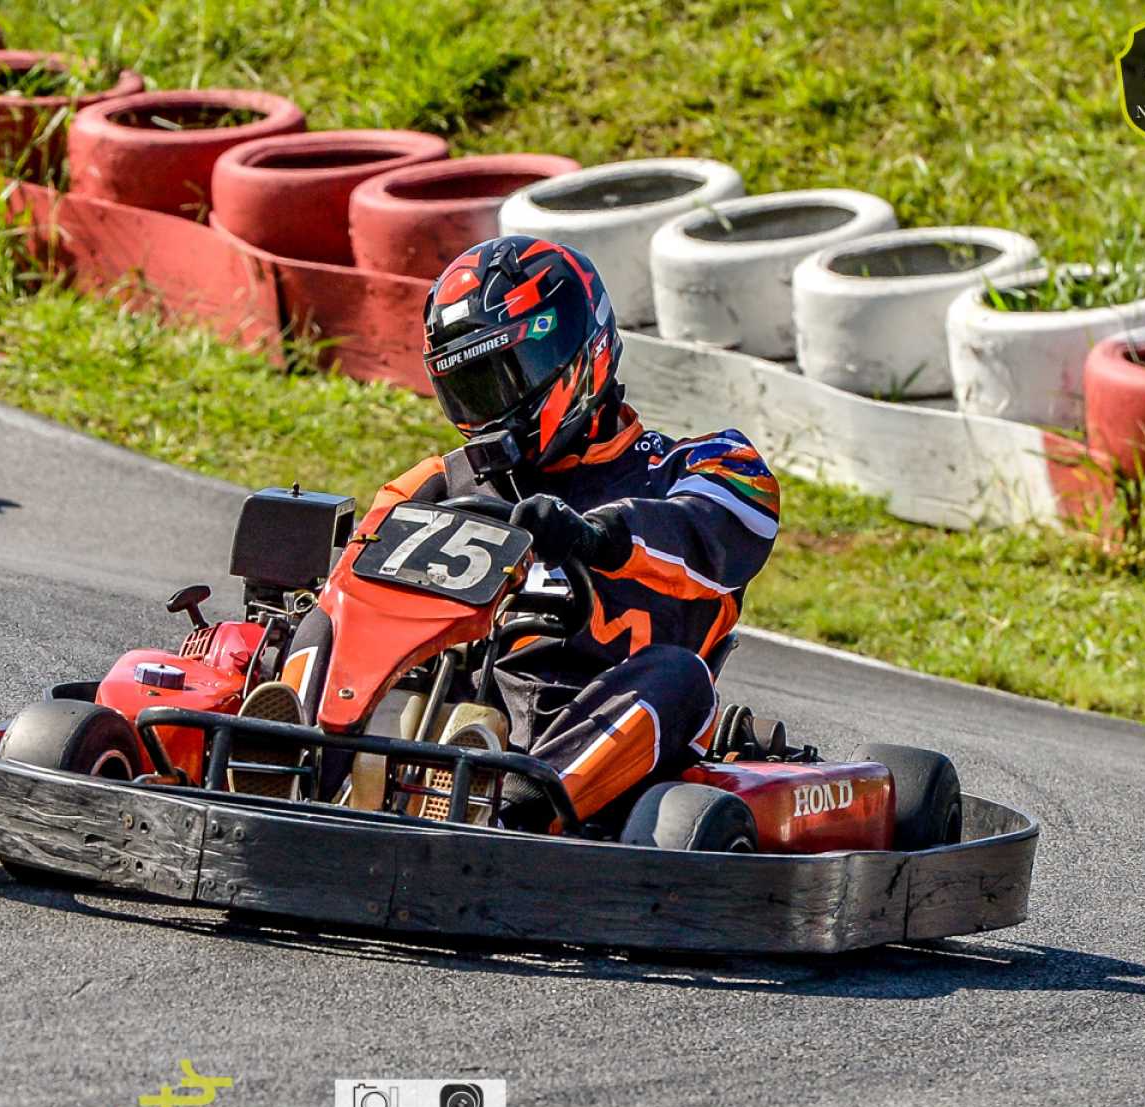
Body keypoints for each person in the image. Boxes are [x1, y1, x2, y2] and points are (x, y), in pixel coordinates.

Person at [266, 234, 781, 830]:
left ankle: (516, 813)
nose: (490, 410)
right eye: (471, 390)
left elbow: (721, 532)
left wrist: (594, 535)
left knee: (680, 676)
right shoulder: (440, 484)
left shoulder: (699, 466)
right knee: (333, 612)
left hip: (605, 726)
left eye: (504, 380)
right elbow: (356, 589)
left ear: (576, 354)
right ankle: (288, 767)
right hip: (455, 707)